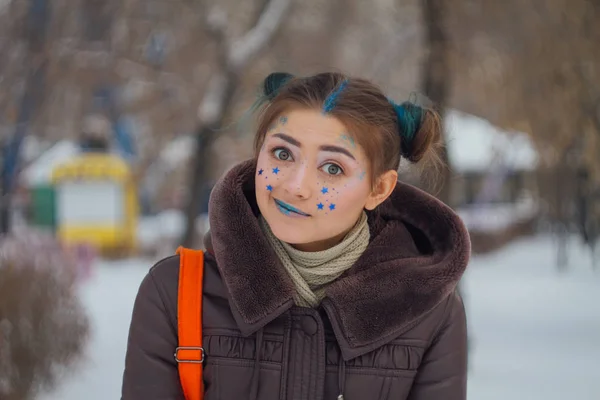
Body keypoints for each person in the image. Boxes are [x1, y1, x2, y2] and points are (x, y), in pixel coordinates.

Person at [121, 72, 471, 400]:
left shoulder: (430, 314)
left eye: (332, 168)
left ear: (378, 189)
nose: (295, 186)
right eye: (282, 153)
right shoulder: (175, 293)